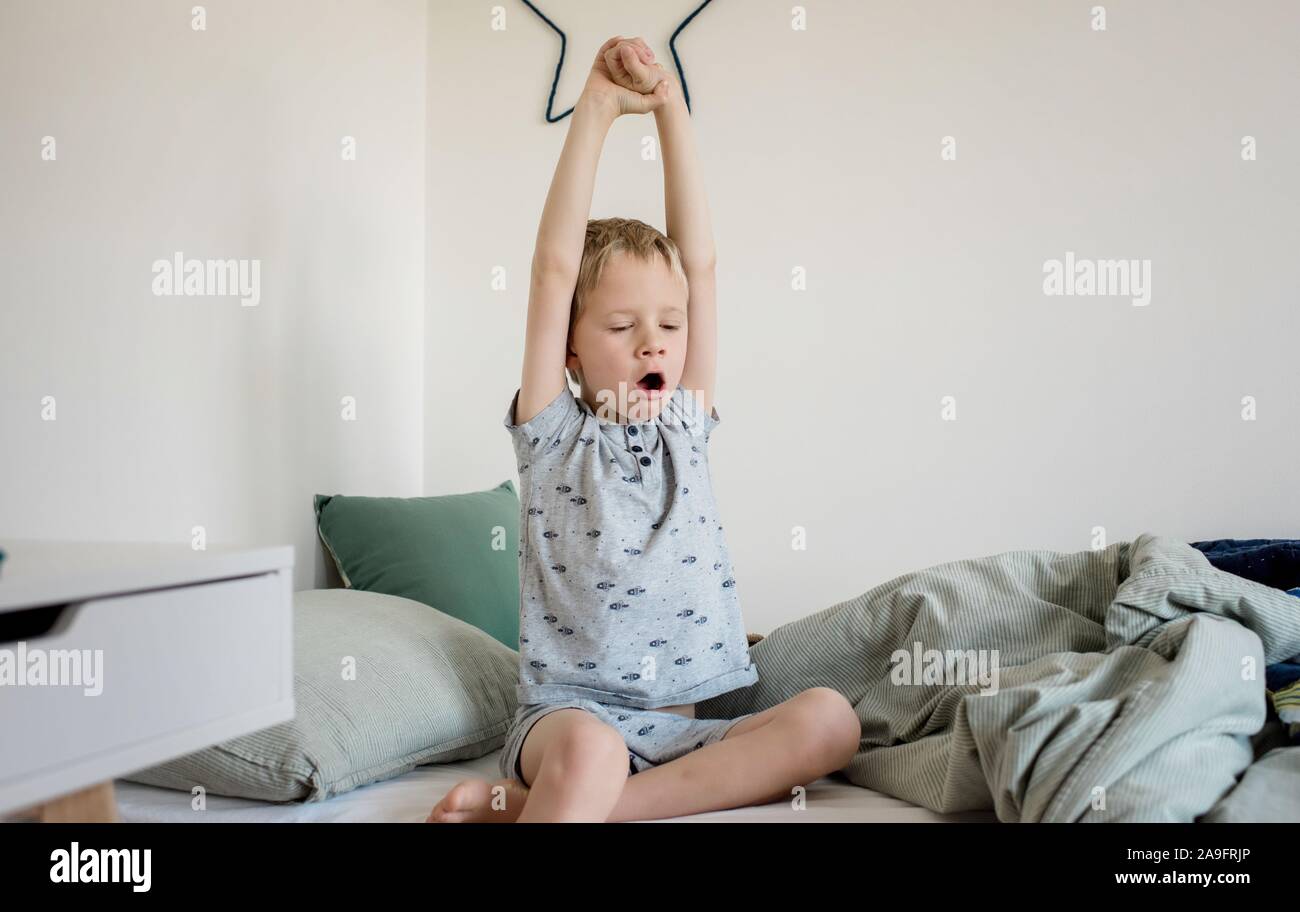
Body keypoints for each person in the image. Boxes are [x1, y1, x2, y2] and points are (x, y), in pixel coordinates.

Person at [427, 35, 860, 823]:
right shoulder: (553, 434)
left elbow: (703, 267)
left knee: (831, 720)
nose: (653, 341)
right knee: (590, 752)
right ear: (569, 350)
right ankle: (566, 787)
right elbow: (553, 270)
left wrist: (670, 112)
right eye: (622, 326)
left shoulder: (685, 427)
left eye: (666, 324)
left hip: (679, 729)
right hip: (566, 722)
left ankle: (560, 809)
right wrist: (595, 108)